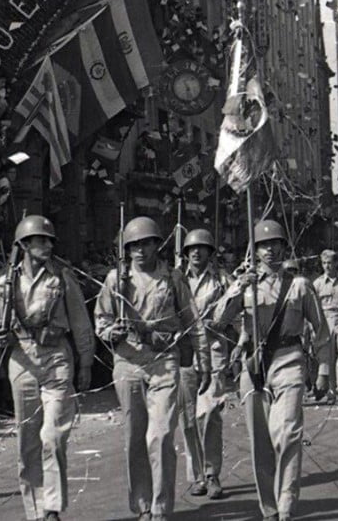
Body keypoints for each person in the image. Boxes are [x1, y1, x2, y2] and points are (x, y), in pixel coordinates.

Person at [210, 220, 330, 521]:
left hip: (288, 360)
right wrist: (238, 286)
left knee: (287, 433)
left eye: (275, 243)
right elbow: (218, 320)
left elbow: (321, 330)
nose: (270, 249)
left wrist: (324, 369)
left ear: (283, 247)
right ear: (255, 250)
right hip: (254, 366)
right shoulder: (245, 285)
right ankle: (270, 510)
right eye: (264, 245)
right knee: (260, 443)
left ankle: (287, 505)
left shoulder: (300, 285)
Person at [94, 216, 206, 521]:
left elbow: (192, 322)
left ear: (158, 245)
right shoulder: (116, 280)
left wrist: (203, 359)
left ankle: (160, 508)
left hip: (163, 362)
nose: (140, 250)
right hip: (128, 362)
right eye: (133, 246)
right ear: (126, 250)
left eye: (146, 243)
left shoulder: (173, 278)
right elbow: (101, 320)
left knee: (161, 435)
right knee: (134, 438)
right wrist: (110, 333)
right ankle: (142, 505)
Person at [0, 215, 96, 521]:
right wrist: (0, 336)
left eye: (50, 240)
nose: (48, 245)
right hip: (22, 359)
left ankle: (51, 508)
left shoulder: (62, 278)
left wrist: (86, 362)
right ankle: (35, 512)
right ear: (24, 245)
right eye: (41, 240)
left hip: (57, 359)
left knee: (53, 436)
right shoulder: (4, 283)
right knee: (28, 440)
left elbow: (80, 322)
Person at [177, 228, 230, 498]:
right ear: (185, 253)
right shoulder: (175, 279)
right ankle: (197, 476)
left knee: (209, 413)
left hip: (214, 348)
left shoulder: (222, 280)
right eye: (191, 249)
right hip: (185, 353)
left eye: (202, 248)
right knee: (188, 417)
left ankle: (212, 473)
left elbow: (235, 310)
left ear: (210, 252)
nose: (196, 253)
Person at [313, 249, 338, 407]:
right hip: (324, 323)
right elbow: (313, 308)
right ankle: (331, 391)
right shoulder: (317, 284)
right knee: (326, 358)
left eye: (330, 263)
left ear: (336, 263)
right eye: (324, 263)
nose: (327, 266)